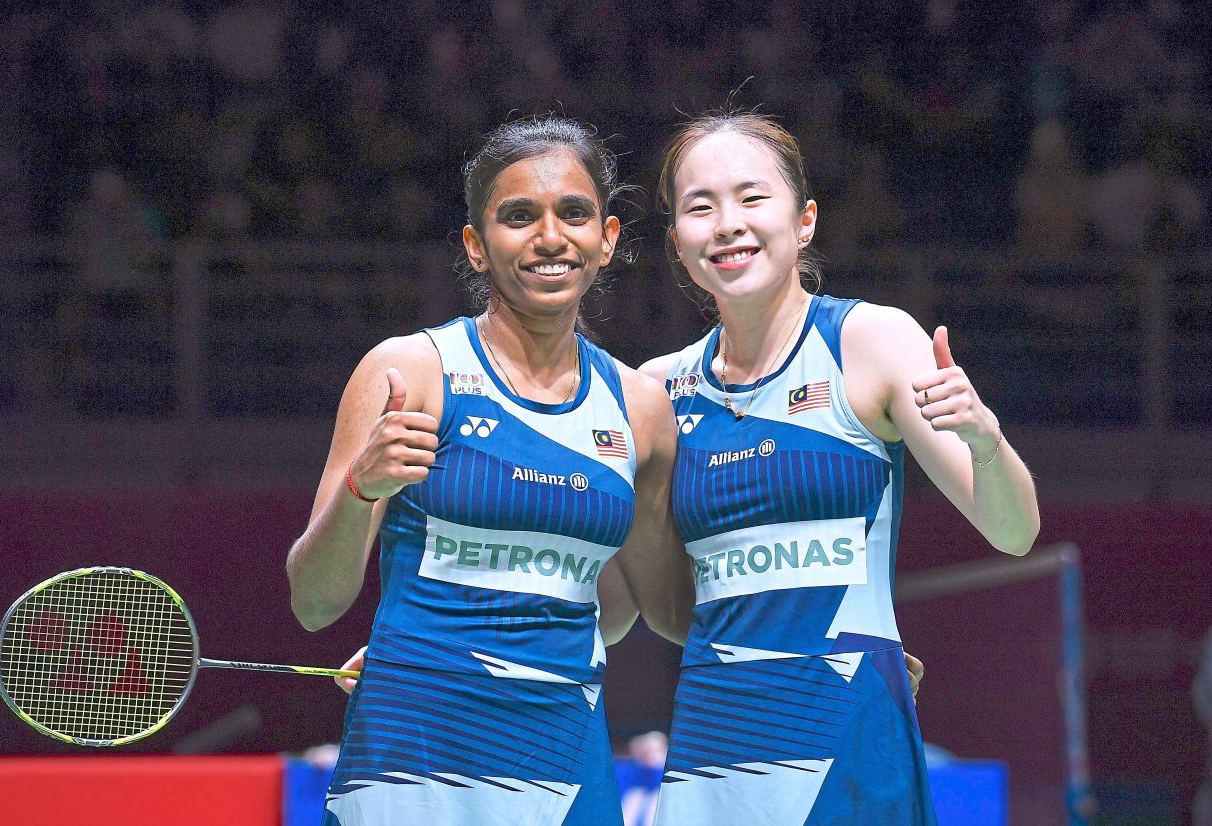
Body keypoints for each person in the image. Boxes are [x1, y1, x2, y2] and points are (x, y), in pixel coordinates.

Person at [639, 109, 1041, 825]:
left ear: (804, 221)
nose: (728, 224)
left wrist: (985, 440)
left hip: (850, 737)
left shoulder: (872, 342)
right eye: (700, 207)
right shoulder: (656, 390)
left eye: (752, 197)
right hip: (715, 742)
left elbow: (1014, 533)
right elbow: (661, 606)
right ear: (678, 242)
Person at [285, 115, 688, 826]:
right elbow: (313, 604)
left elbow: (645, 608)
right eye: (519, 216)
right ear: (476, 246)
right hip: (411, 761)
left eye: (574, 213)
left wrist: (829, 653)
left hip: (564, 765)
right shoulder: (410, 373)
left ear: (607, 239)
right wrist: (361, 489)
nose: (550, 236)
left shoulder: (641, 410)